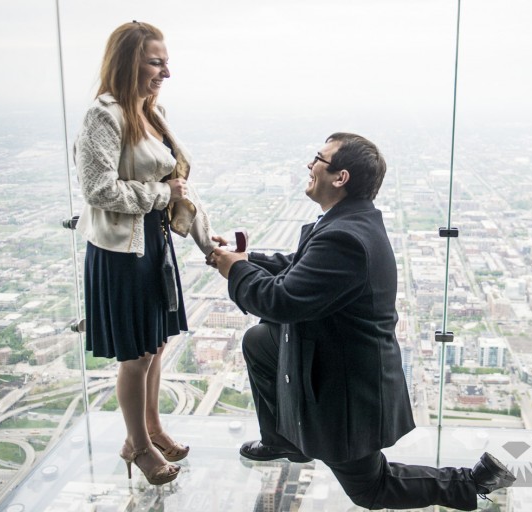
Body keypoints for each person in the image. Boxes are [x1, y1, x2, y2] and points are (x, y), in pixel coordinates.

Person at [209, 133, 515, 510]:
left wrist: (236, 271)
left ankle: (474, 482)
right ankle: (284, 441)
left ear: (340, 177)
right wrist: (245, 259)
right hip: (334, 355)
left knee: (372, 489)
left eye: (318, 158)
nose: (310, 165)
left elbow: (283, 300)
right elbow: (298, 269)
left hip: (350, 387)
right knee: (260, 340)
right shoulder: (346, 222)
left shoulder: (345, 238)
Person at [74, 21, 219, 485]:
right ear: (127, 62)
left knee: (156, 346)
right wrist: (159, 195)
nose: (165, 72)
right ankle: (137, 447)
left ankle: (151, 428)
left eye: (165, 62)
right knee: (135, 355)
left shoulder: (152, 113)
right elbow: (98, 190)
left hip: (153, 243)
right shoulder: (104, 116)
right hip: (122, 252)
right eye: (156, 62)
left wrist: (206, 240)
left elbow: (180, 188)